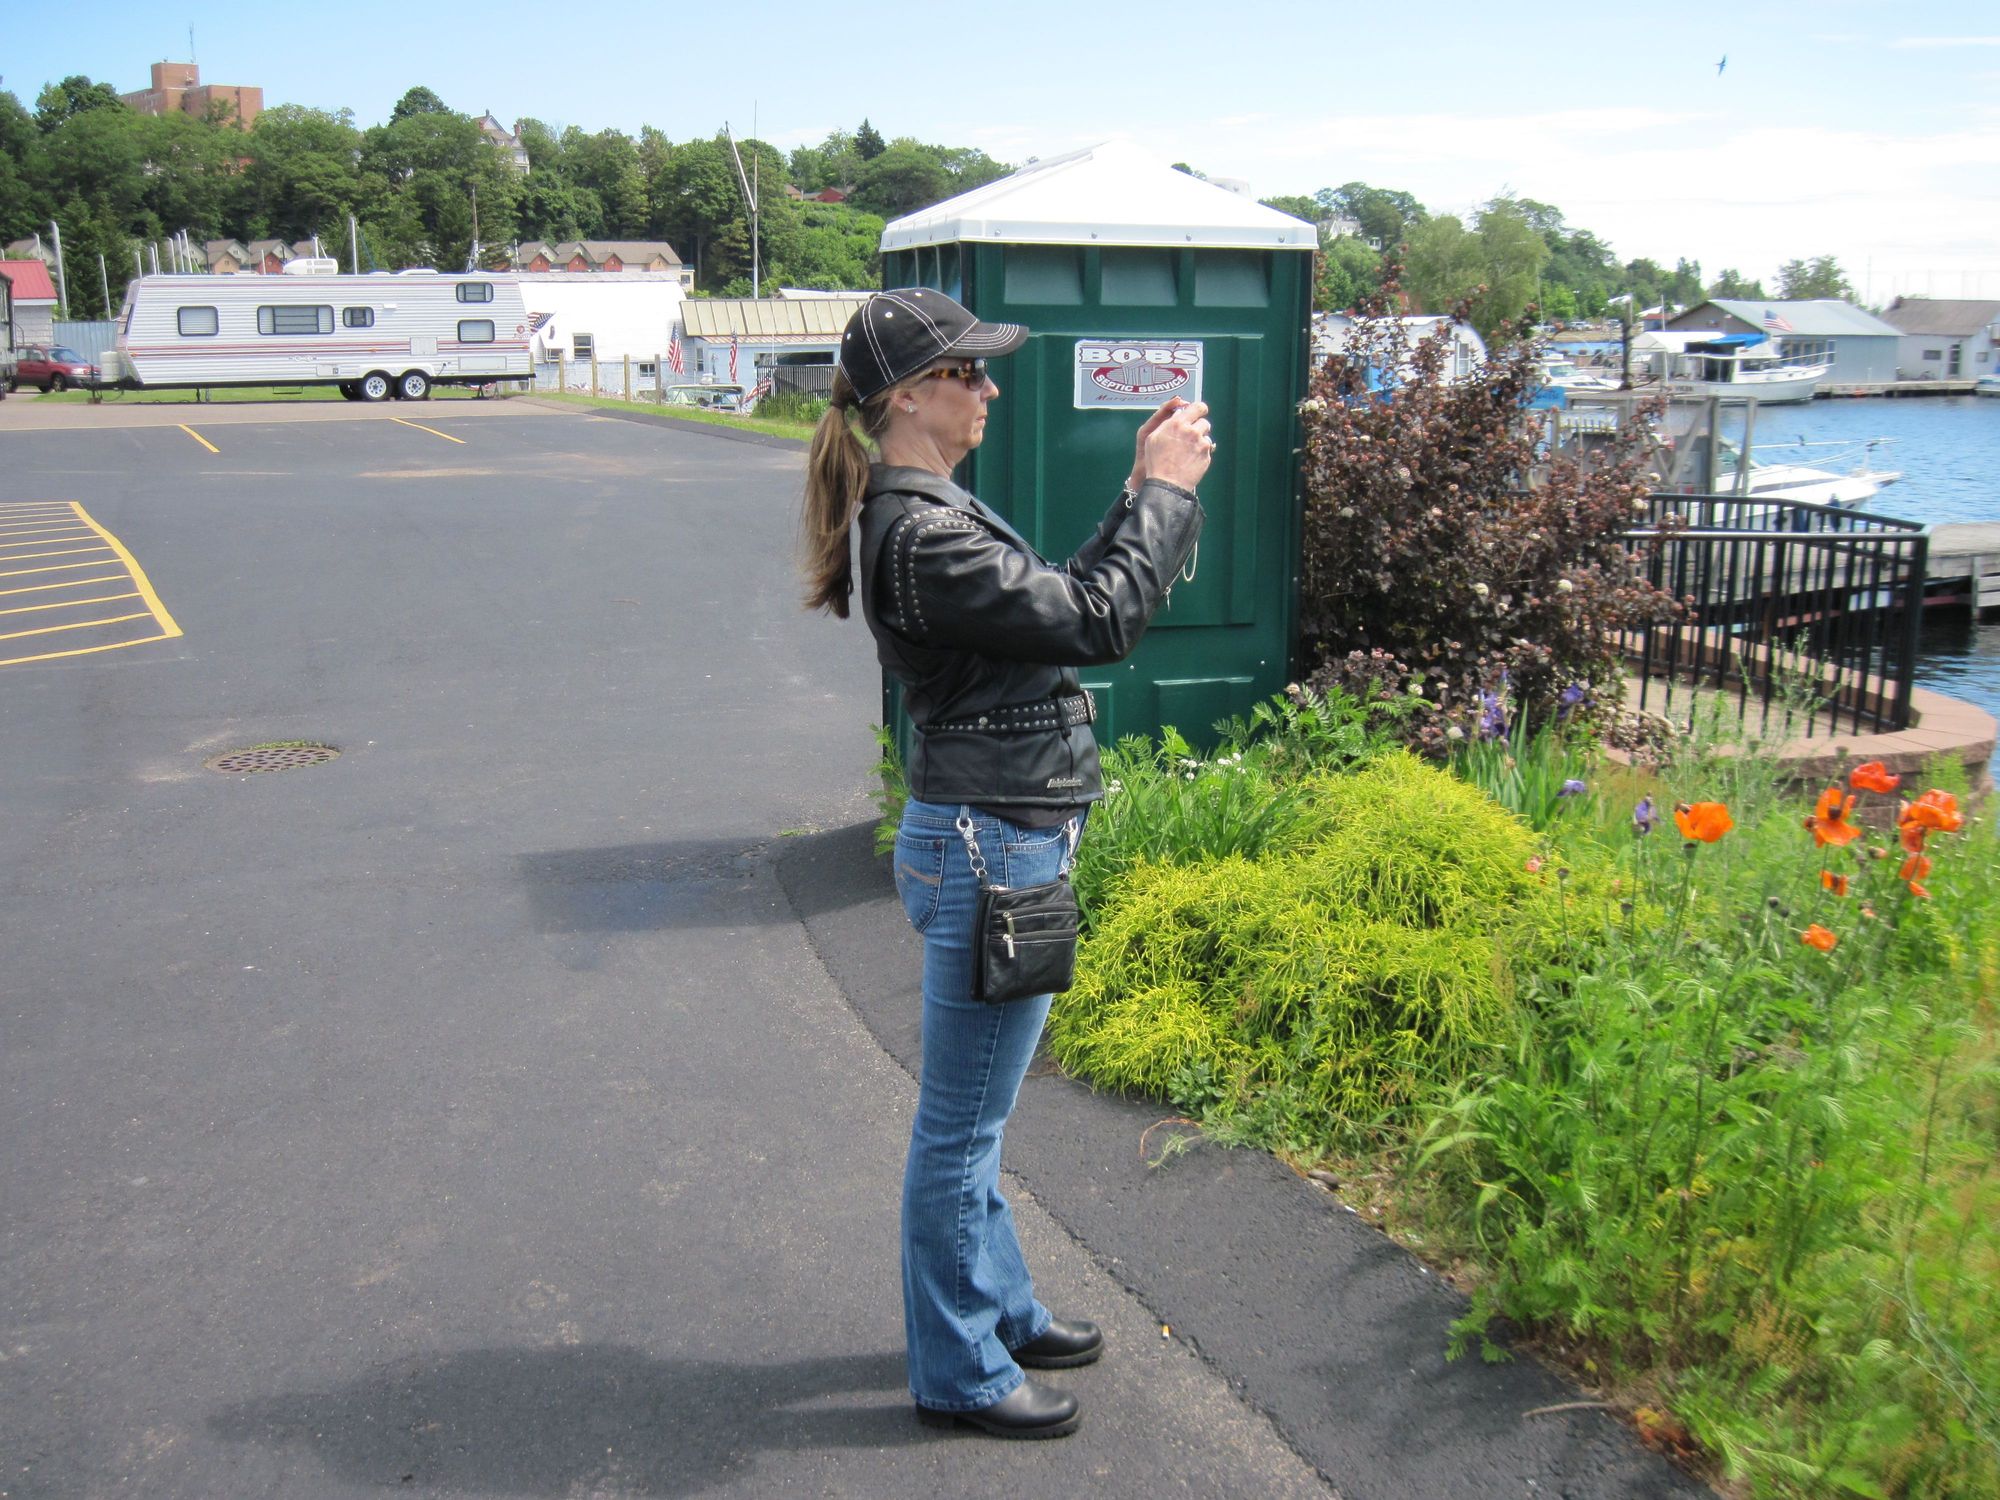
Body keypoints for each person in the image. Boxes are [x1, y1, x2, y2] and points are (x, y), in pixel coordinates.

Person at [799, 288, 1213, 1439]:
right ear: (905, 397)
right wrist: (1166, 494)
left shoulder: (932, 512)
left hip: (989, 835)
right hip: (989, 846)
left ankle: (1003, 1310)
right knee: (959, 1129)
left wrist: (1135, 494)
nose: (987, 388)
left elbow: (1062, 604)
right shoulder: (924, 534)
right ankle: (960, 1369)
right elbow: (1098, 622)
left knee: (974, 1116)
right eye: (967, 372)